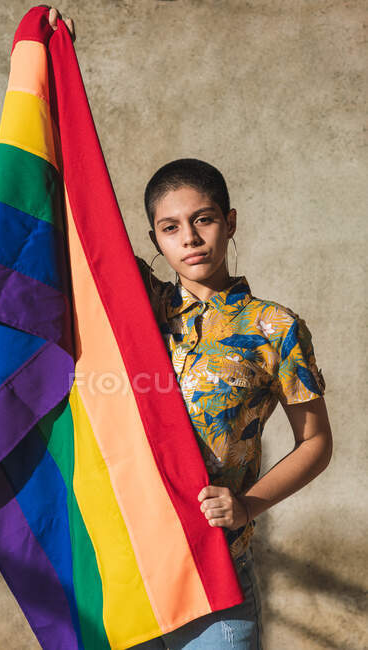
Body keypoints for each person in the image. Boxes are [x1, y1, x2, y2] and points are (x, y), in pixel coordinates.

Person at [49, 9, 333, 649]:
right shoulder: (140, 311)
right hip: (131, 564)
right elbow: (77, 229)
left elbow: (315, 443)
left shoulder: (273, 326)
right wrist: (52, 66)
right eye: (171, 228)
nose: (190, 239)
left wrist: (248, 506)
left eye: (203, 220)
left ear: (229, 222)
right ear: (155, 238)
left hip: (217, 573)